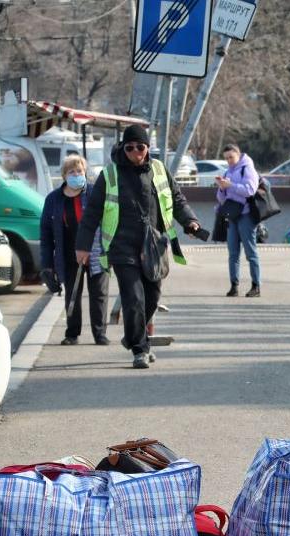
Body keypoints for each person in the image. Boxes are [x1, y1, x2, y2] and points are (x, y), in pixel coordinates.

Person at [76, 124, 203, 369]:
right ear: (123, 148)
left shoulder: (158, 169)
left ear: (147, 148)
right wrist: (82, 246)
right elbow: (92, 212)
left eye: (140, 147)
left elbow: (176, 199)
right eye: (130, 147)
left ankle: (134, 335)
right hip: (121, 246)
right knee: (133, 298)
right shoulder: (110, 174)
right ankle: (139, 349)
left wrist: (190, 221)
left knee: (152, 297)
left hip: (153, 246)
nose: (135, 151)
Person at [41, 155, 109, 346]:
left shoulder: (95, 193)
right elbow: (46, 233)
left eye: (79, 171)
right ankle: (72, 333)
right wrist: (46, 264)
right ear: (64, 175)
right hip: (68, 254)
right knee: (72, 293)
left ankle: (100, 333)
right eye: (72, 171)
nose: (77, 174)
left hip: (96, 252)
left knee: (99, 294)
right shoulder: (54, 199)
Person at [216, 143, 262, 295]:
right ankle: (234, 286)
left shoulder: (247, 168)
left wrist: (231, 185)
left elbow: (250, 190)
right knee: (233, 253)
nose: (229, 160)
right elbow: (222, 198)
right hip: (232, 215)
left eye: (231, 157)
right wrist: (222, 188)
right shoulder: (228, 171)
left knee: (250, 252)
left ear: (238, 155)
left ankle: (256, 286)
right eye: (226, 158)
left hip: (246, 215)